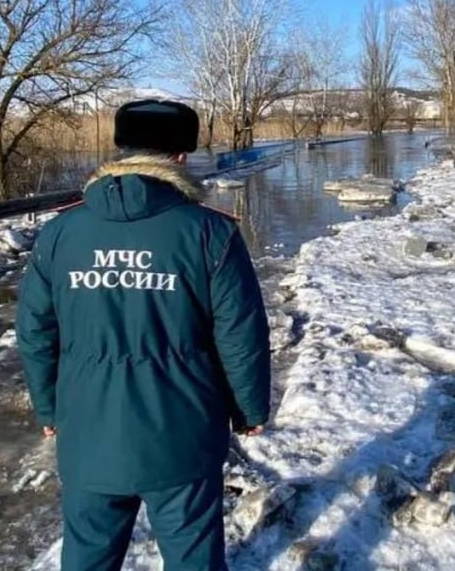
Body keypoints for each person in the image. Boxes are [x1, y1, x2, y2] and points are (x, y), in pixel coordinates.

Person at [16, 99, 271, 571]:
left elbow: (34, 331)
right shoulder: (210, 233)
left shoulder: (61, 232)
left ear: (121, 149)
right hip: (182, 434)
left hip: (87, 430)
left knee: (88, 557)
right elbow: (241, 334)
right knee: (193, 556)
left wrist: (50, 408)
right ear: (180, 157)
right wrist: (249, 409)